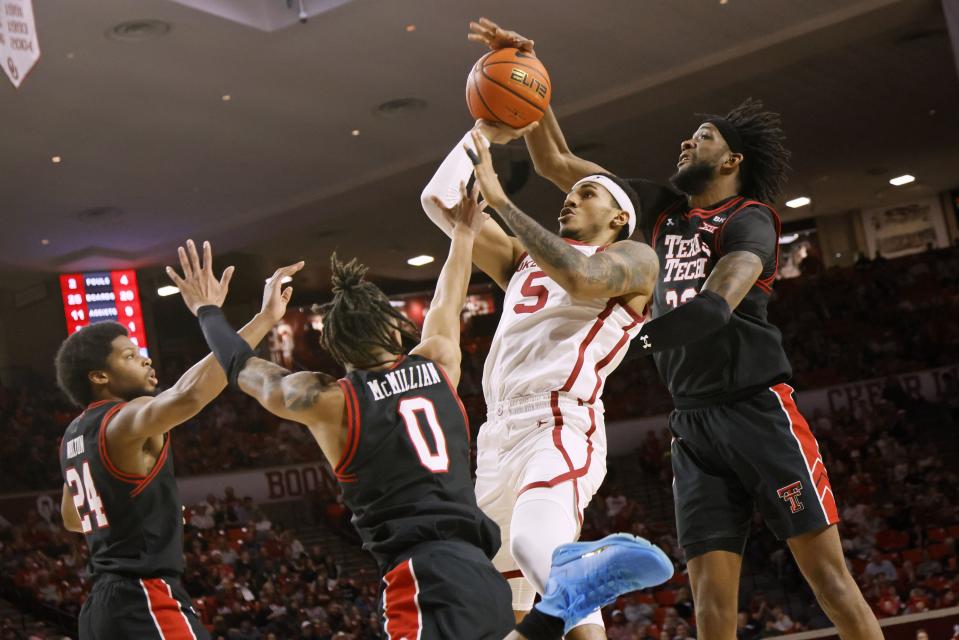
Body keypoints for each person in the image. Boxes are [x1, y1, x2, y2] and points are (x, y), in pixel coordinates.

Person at [466, 16, 883, 640]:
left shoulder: (750, 220)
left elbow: (718, 305)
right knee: (710, 605)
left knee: (829, 582)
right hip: (692, 422)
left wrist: (644, 336)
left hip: (756, 409)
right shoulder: (660, 210)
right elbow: (554, 158)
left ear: (732, 159)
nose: (687, 144)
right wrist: (531, 75)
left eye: (703, 137)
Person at [176, 189, 672, 640]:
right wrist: (461, 235)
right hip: (477, 568)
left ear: (332, 348)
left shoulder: (328, 401)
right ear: (396, 333)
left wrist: (213, 313)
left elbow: (243, 367)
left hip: (422, 575)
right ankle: (552, 612)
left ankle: (561, 604)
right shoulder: (438, 364)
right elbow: (445, 299)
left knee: (536, 570)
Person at [420, 108, 658, 635]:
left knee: (540, 549)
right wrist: (483, 130)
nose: (569, 197)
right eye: (572, 193)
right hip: (495, 434)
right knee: (488, 596)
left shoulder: (636, 259)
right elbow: (438, 203)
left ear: (619, 217)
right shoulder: (525, 259)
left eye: (587, 194)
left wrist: (502, 201)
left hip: (559, 424)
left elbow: (581, 277)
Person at [56, 239, 302, 639]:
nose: (146, 359)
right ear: (99, 377)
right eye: (130, 356)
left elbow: (72, 517)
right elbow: (188, 394)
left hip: (100, 609)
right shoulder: (123, 420)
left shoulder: (72, 436)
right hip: (144, 599)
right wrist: (252, 318)